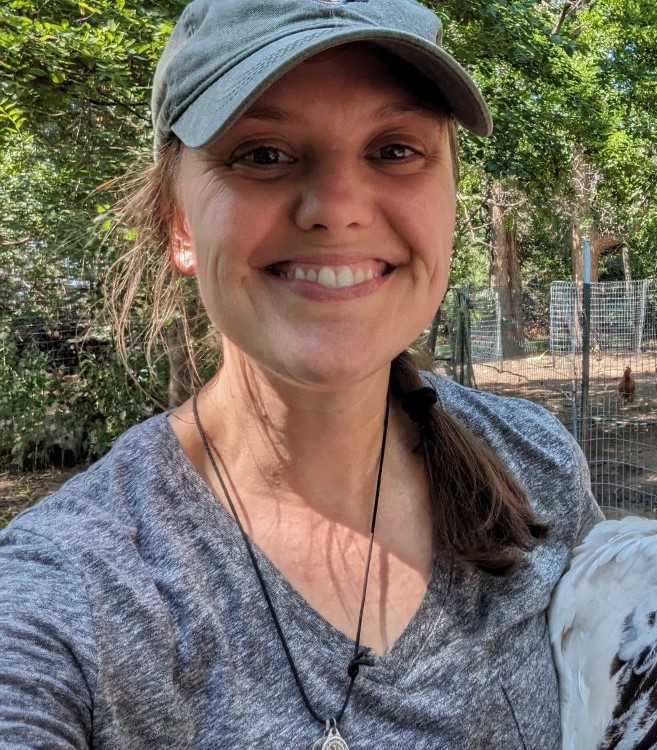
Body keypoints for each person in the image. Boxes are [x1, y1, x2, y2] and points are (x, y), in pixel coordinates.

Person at [0, 0, 602, 747]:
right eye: (262, 154)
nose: (337, 208)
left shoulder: (537, 470)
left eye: (394, 151)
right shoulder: (72, 593)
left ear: (450, 198)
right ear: (179, 223)